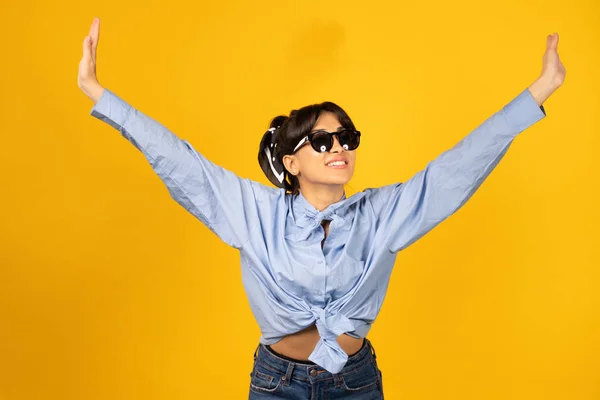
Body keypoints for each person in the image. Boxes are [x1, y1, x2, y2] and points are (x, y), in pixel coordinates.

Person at [78, 17, 565, 399]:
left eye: (346, 137)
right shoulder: (254, 211)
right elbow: (179, 159)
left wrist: (539, 90)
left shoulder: (383, 212)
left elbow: (458, 167)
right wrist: (99, 94)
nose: (339, 147)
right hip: (276, 383)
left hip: (355, 383)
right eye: (321, 139)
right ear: (291, 161)